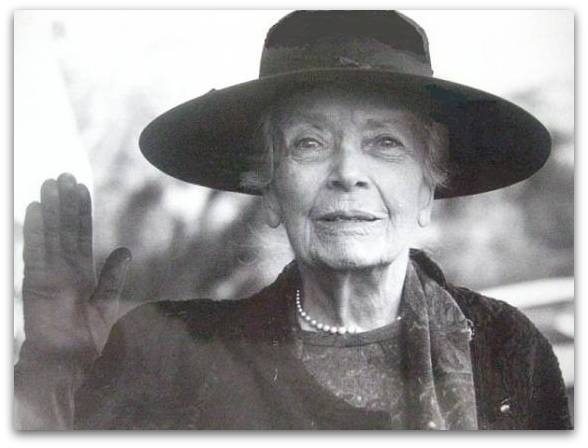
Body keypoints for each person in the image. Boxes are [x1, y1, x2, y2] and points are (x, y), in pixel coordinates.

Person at [15, 10, 571, 430]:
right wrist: (57, 367)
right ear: (270, 190)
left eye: (385, 143)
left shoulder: (507, 350)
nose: (347, 173)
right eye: (309, 143)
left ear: (428, 186)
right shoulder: (167, 355)